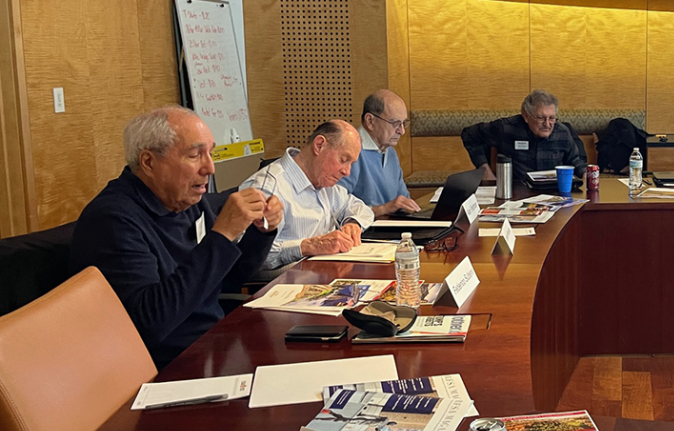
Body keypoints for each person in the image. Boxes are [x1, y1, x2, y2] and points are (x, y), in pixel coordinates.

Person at [69, 106, 283, 368]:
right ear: (149, 162)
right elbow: (151, 323)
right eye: (194, 155)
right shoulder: (113, 220)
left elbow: (227, 281)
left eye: (210, 153)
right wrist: (222, 234)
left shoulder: (187, 201)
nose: (210, 168)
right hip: (166, 364)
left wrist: (261, 232)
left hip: (212, 346)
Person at [241, 120, 375, 270]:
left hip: (325, 273)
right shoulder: (268, 188)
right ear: (319, 145)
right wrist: (307, 246)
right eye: (343, 160)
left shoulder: (326, 184)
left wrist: (352, 223)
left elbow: (361, 209)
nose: (347, 172)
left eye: (351, 164)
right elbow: (248, 257)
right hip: (285, 280)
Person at [461, 89, 587, 182]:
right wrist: (484, 169)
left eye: (552, 118)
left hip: (553, 193)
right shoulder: (506, 128)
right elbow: (469, 134)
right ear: (526, 116)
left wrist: (584, 172)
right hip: (517, 192)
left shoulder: (562, 132)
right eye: (541, 118)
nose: (547, 124)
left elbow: (574, 160)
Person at [339, 90, 421, 217]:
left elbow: (403, 202)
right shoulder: (348, 152)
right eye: (395, 123)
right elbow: (337, 210)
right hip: (363, 228)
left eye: (404, 123)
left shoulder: (391, 152)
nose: (402, 131)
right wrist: (383, 209)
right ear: (370, 121)